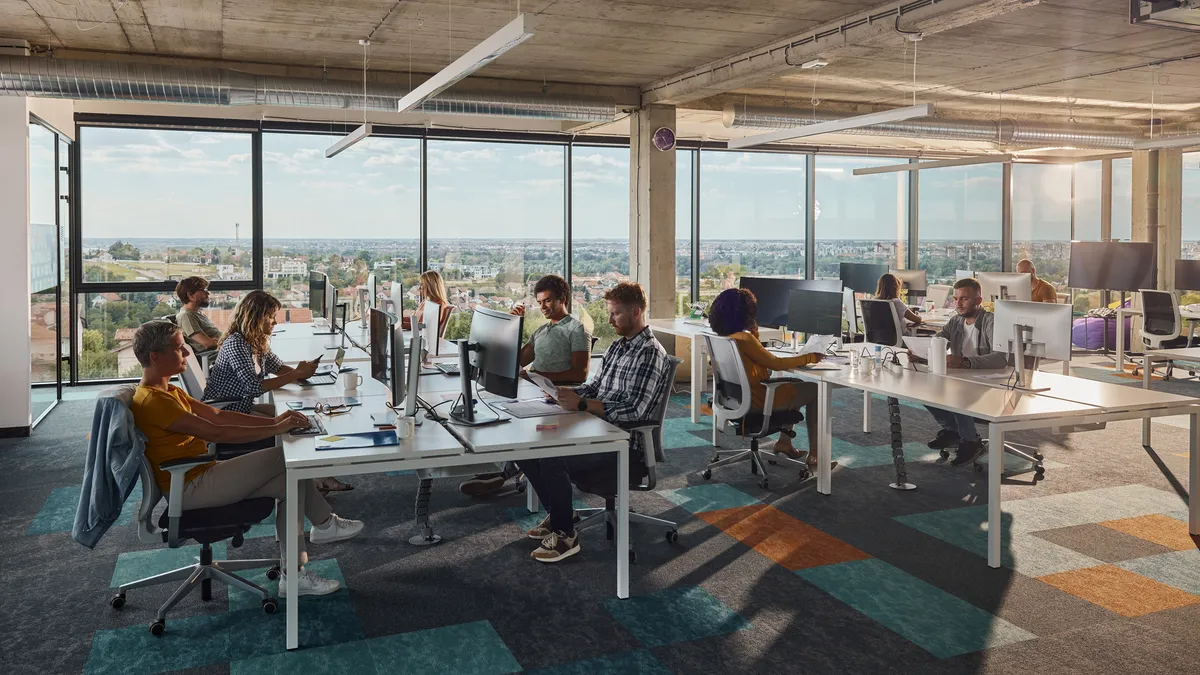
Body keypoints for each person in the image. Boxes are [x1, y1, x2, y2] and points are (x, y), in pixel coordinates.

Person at [129, 320, 364, 597]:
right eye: (180, 349)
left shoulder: (168, 390)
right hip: (191, 486)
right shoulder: (154, 401)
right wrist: (275, 428)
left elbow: (218, 415)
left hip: (201, 474)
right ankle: (325, 525)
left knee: (291, 481)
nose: (188, 353)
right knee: (285, 456)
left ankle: (296, 572)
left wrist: (275, 420)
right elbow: (218, 432)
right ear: (155, 357)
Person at [518, 282, 672, 564]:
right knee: (529, 447)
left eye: (615, 314)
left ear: (636, 312)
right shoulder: (618, 346)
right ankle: (560, 514)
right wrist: (565, 395)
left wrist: (584, 404)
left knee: (553, 457)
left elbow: (635, 410)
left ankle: (566, 535)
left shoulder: (649, 353)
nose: (610, 320)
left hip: (625, 445)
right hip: (597, 430)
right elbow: (596, 386)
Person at [458, 274, 593, 497]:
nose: (543, 307)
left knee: (515, 422)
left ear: (563, 299)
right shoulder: (540, 331)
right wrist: (511, 326)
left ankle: (505, 473)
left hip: (558, 399)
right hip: (534, 392)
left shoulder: (576, 330)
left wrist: (536, 376)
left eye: (548, 301)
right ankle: (504, 468)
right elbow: (516, 362)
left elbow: (581, 374)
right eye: (539, 302)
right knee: (497, 410)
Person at [205, 290, 353, 492]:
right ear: (255, 318)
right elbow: (254, 387)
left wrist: (303, 373)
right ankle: (312, 481)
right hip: (229, 411)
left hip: (243, 406)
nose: (275, 322)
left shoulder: (256, 341)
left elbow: (279, 368)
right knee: (295, 428)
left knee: (302, 417)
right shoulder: (236, 344)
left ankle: (319, 478)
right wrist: (295, 375)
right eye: (271, 317)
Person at [708, 288, 833, 469]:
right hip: (758, 400)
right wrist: (811, 357)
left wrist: (755, 333)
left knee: (796, 385)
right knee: (815, 390)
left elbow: (761, 362)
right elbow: (775, 364)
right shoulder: (744, 339)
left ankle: (785, 443)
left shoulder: (726, 338)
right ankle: (816, 456)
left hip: (735, 400)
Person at [917, 278, 1009, 466]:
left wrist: (966, 362)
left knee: (957, 392)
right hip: (964, 379)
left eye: (964, 299)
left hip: (991, 383)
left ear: (978, 300)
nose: (958, 304)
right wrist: (920, 353)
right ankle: (953, 431)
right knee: (923, 389)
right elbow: (938, 340)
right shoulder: (955, 322)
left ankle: (971, 441)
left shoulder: (991, 322)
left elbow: (1001, 359)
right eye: (956, 298)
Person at [175, 276, 221, 352]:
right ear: (191, 295)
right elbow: (207, 344)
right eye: (203, 290)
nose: (208, 293)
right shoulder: (186, 316)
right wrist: (229, 342)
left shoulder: (198, 313)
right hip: (215, 357)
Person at [401, 270, 453, 336]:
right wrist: (398, 319)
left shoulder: (438, 305)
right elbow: (414, 319)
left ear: (431, 286)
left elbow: (424, 325)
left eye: (422, 284)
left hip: (424, 339)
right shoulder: (425, 302)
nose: (419, 288)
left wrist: (400, 325)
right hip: (416, 335)